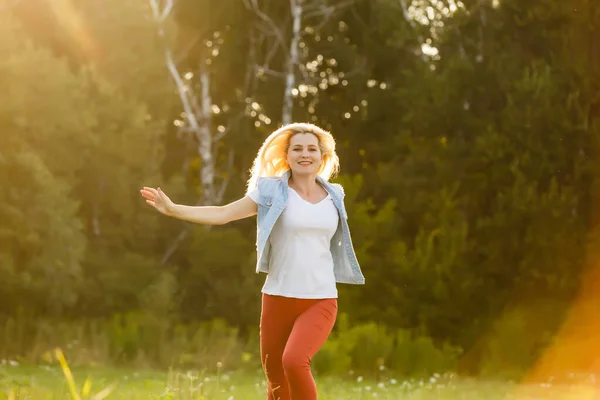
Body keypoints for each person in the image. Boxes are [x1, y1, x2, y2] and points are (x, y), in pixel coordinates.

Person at [140, 122, 365, 400]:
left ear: (323, 156)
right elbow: (223, 213)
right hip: (277, 298)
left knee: (294, 361)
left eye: (311, 149)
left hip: (320, 299)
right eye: (297, 148)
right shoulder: (271, 193)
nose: (304, 154)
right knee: (277, 383)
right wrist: (174, 210)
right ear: (287, 156)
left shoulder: (335, 196)